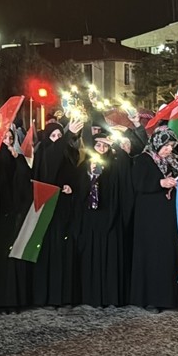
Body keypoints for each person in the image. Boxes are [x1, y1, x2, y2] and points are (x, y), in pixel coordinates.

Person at [128, 127, 178, 309]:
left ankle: (171, 297)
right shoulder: (144, 160)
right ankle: (152, 299)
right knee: (153, 256)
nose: (168, 149)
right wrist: (160, 183)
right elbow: (138, 183)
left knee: (169, 254)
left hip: (170, 215)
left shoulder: (175, 161)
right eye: (166, 145)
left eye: (171, 146)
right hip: (150, 217)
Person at [73, 131, 126, 307]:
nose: (102, 149)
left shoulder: (115, 166)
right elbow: (79, 192)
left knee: (109, 256)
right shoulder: (84, 167)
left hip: (110, 218)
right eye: (98, 145)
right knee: (91, 256)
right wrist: (91, 177)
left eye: (105, 145)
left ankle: (110, 296)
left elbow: (120, 190)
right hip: (91, 219)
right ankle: (91, 296)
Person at [32, 121, 80, 307]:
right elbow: (50, 164)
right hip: (47, 209)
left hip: (64, 208)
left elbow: (71, 174)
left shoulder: (67, 154)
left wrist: (70, 186)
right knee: (49, 253)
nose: (57, 140)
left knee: (63, 251)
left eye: (60, 136)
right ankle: (48, 297)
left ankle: (64, 296)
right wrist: (67, 135)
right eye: (53, 136)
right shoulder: (43, 153)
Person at [0, 128, 33, 313]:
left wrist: (17, 159)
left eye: (11, 138)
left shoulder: (16, 158)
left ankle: (14, 299)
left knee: (13, 257)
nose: (7, 140)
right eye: (4, 137)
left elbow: (24, 180)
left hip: (15, 215)